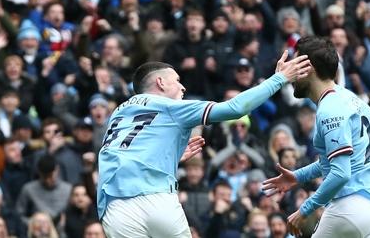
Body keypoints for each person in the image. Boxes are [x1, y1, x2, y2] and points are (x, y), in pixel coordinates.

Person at [97, 51, 312, 237]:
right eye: (177, 80)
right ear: (161, 83)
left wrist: (170, 157)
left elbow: (126, 150)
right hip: (156, 199)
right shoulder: (172, 107)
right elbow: (235, 109)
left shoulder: (118, 113)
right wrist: (279, 78)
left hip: (115, 205)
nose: (182, 87)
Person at [262, 36, 370, 237]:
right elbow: (341, 159)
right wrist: (298, 176)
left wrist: (305, 209)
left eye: (294, 65)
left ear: (307, 69)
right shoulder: (353, 101)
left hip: (351, 207)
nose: (290, 74)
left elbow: (341, 172)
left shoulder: (330, 110)